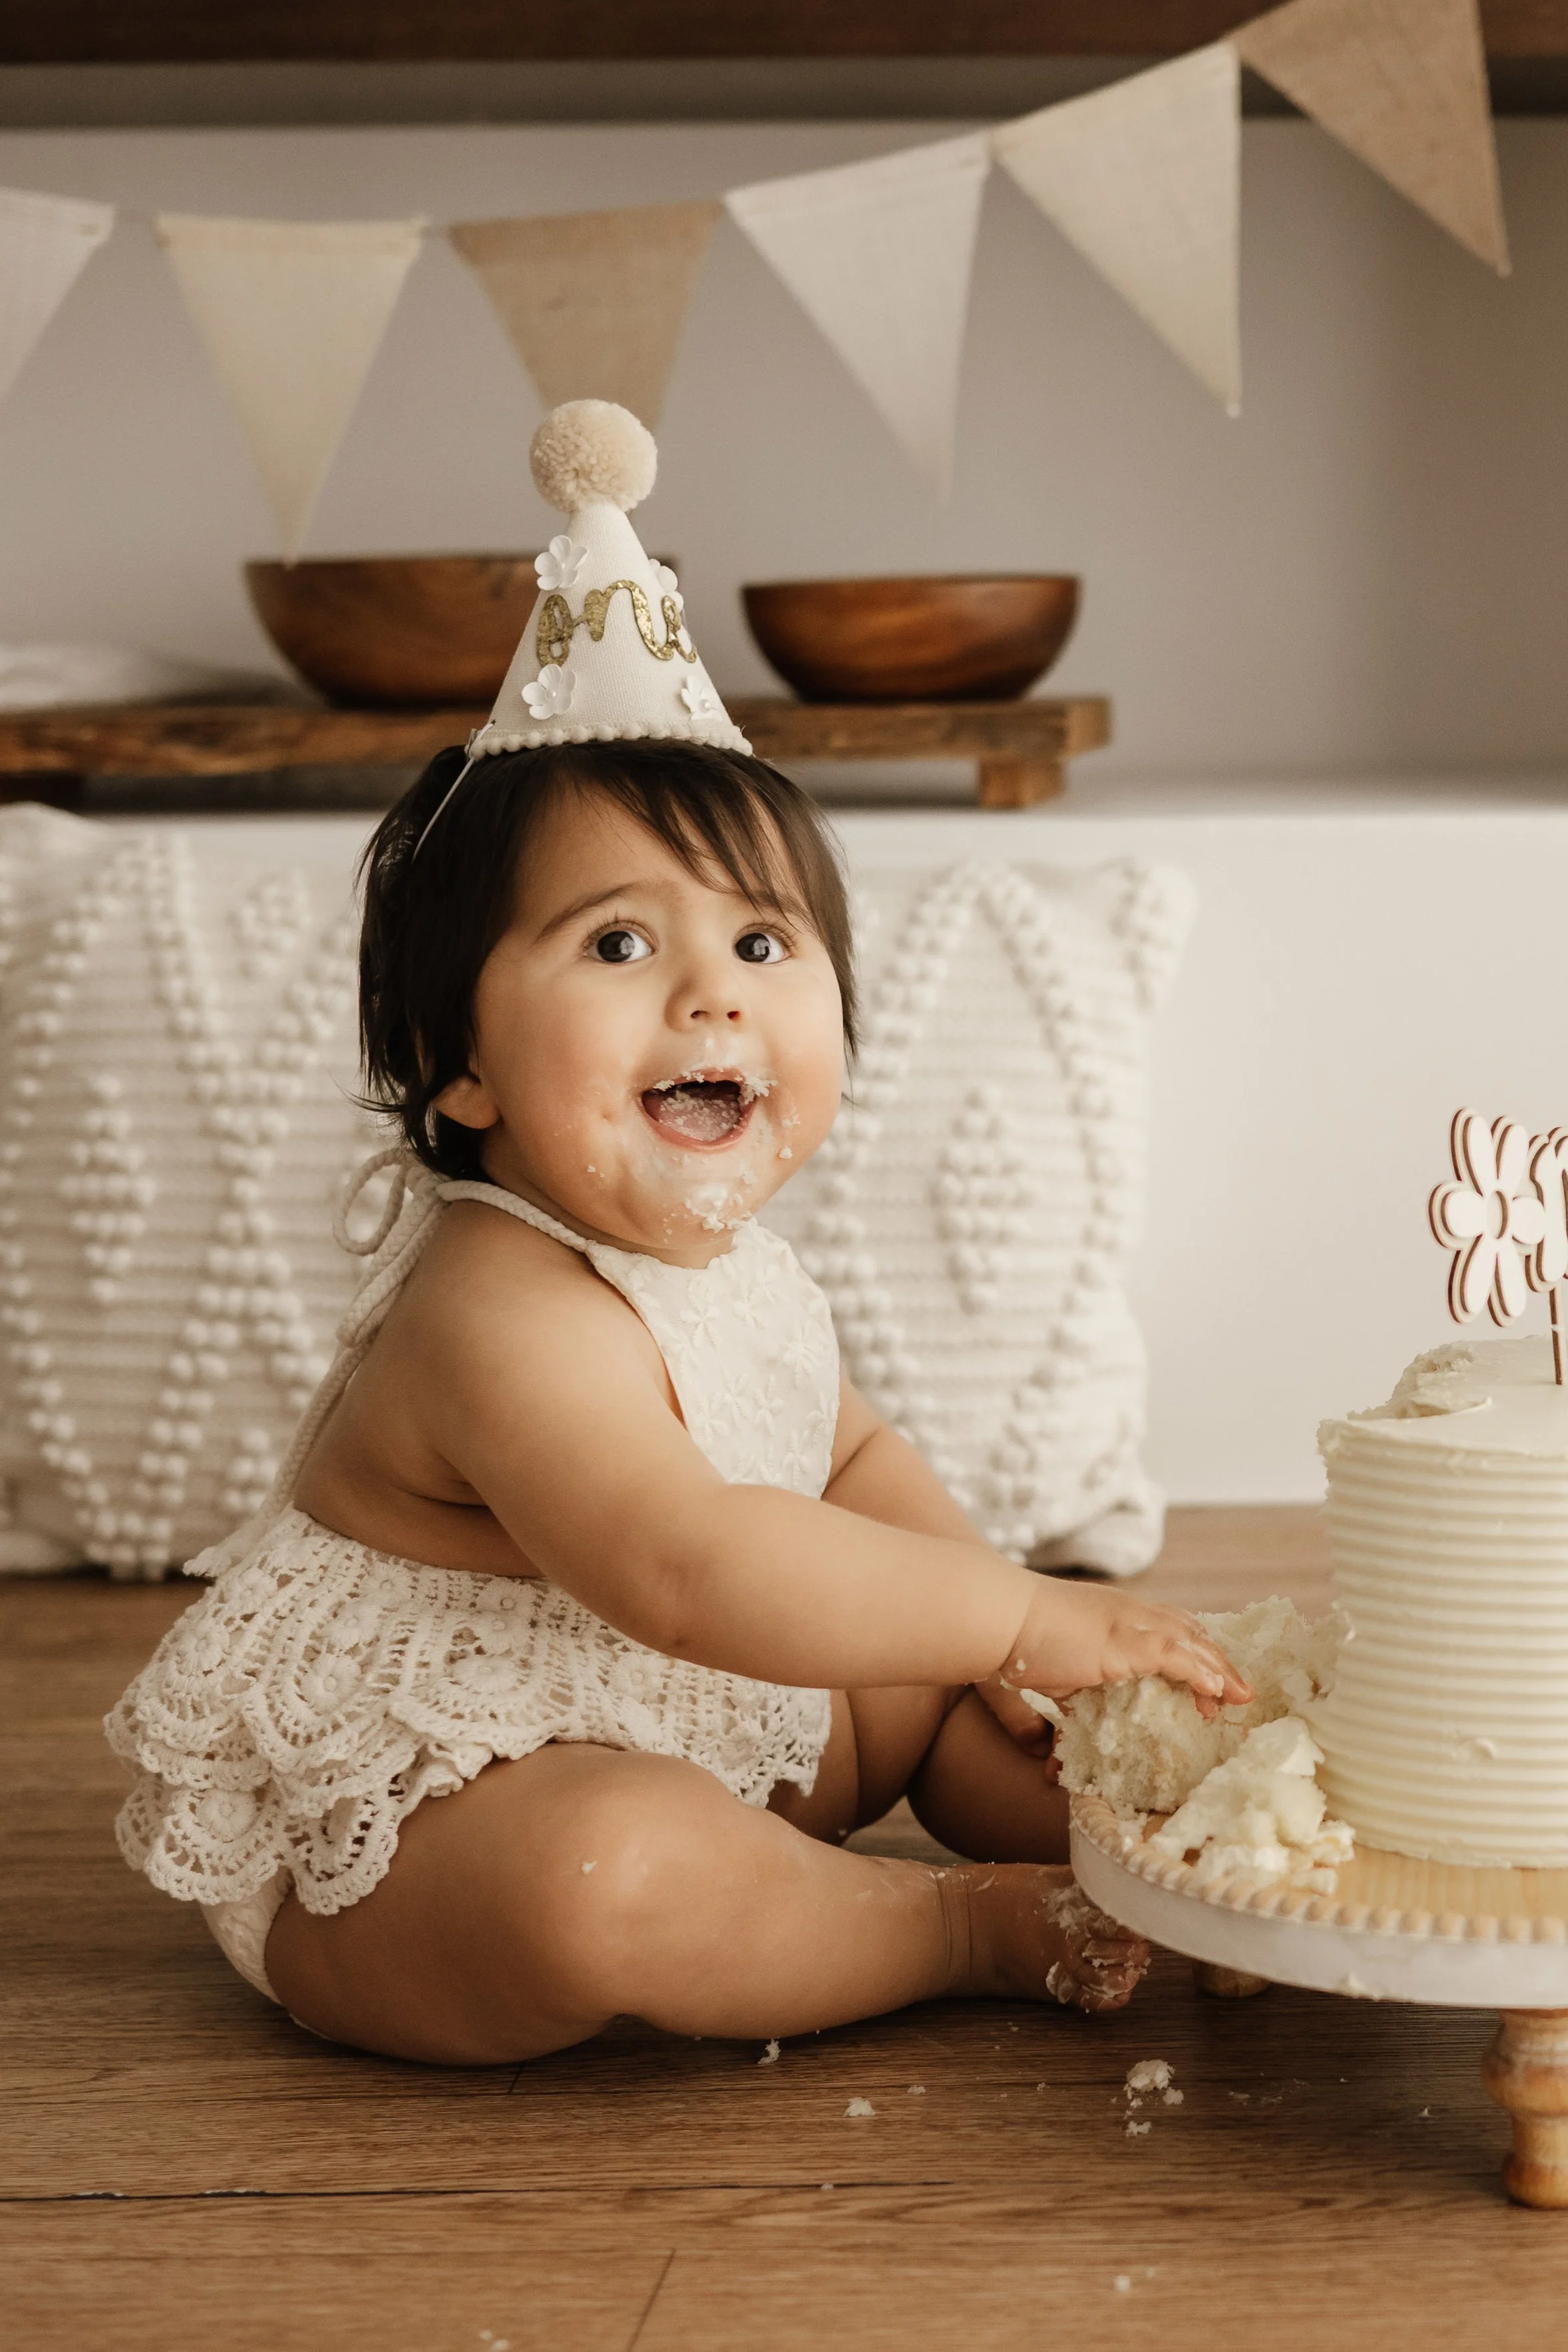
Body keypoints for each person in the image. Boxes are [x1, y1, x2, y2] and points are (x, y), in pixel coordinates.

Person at [108, 403, 1248, 2065]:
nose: (713, 989)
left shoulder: (740, 1269)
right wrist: (1019, 1615)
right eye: (620, 940)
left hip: (703, 1709)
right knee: (607, 1871)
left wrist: (1012, 1638)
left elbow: (842, 1455)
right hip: (442, 1812)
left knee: (993, 1698)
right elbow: (686, 1563)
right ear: (463, 1067)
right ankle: (941, 1926)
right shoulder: (495, 1307)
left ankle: (1180, 1858)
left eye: (765, 944)